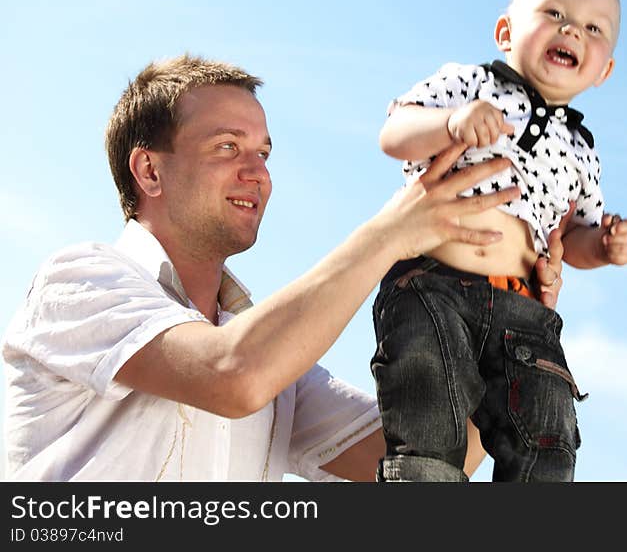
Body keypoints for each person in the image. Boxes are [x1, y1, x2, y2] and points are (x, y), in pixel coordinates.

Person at [2, 55, 566, 481]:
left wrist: (508, 328)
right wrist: (390, 234)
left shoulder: (278, 366)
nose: (258, 172)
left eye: (264, 153)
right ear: (149, 171)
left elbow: (438, 451)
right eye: (227, 147)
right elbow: (231, 375)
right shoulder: (77, 281)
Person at [372, 0, 627, 481]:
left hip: (523, 312)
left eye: (593, 28)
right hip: (434, 284)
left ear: (604, 69)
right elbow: (394, 131)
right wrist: (451, 123)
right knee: (428, 410)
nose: (571, 31)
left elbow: (574, 238)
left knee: (548, 435)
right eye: (555, 13)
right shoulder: (469, 85)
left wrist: (604, 247)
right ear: (505, 32)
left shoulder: (583, 150)